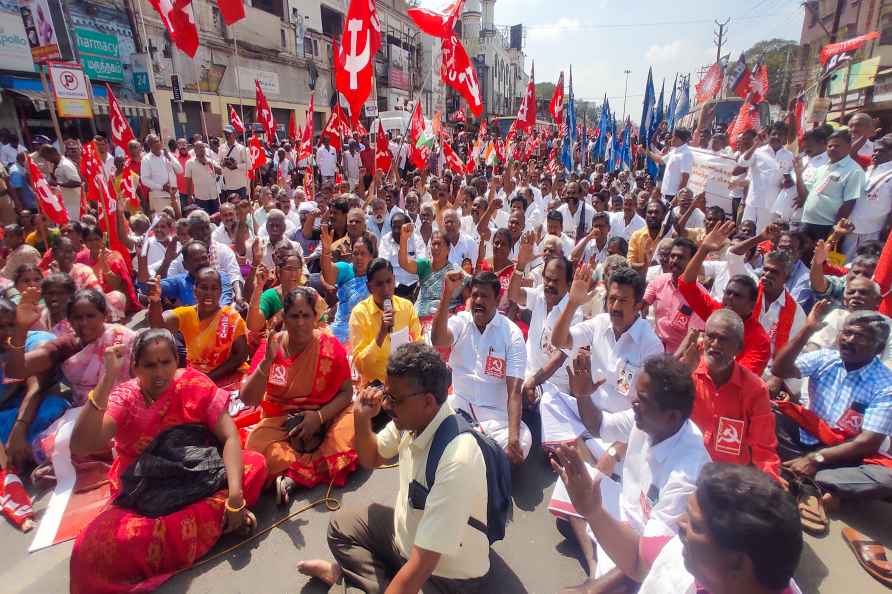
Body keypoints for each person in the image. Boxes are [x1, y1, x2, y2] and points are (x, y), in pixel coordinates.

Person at [68, 329, 267, 594]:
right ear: (135, 367)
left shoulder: (195, 384)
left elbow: (229, 435)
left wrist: (234, 496)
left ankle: (218, 518)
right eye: (149, 365)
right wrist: (107, 379)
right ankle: (218, 524)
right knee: (87, 551)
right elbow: (81, 445)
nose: (159, 373)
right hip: (146, 490)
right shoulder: (125, 398)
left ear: (177, 361)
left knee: (255, 464)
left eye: (166, 363)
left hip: (197, 475)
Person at [298, 343, 490, 593]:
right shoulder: (411, 420)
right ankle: (353, 579)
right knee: (341, 527)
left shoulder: (457, 460)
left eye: (394, 399)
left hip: (446, 575)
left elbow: (422, 565)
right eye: (385, 394)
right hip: (408, 541)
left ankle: (343, 579)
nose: (386, 405)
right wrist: (361, 418)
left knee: (403, 578)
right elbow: (372, 457)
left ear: (429, 402)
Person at [550, 353, 710, 592]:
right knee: (571, 478)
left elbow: (645, 559)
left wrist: (589, 591)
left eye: (642, 398)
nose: (633, 400)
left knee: (636, 571)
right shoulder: (647, 420)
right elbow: (599, 425)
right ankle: (595, 568)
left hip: (643, 544)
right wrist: (583, 396)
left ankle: (602, 579)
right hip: (626, 512)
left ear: (672, 417)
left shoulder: (687, 475)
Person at [772, 302, 892, 506]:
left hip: (847, 454)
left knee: (886, 478)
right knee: (766, 412)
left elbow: (868, 442)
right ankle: (825, 485)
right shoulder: (827, 358)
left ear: (879, 348)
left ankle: (806, 477)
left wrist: (815, 459)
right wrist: (807, 330)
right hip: (807, 438)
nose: (849, 340)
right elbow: (780, 369)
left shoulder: (886, 384)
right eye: (846, 333)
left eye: (860, 336)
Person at [243, 288, 356, 504]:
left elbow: (346, 393)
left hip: (325, 414)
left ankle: (293, 475)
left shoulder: (331, 347)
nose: (301, 323)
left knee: (355, 421)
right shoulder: (272, 346)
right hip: (283, 421)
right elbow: (248, 399)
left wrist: (319, 418)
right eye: (294, 316)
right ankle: (317, 467)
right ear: (284, 318)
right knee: (255, 443)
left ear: (315, 318)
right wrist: (266, 363)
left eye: (306, 315)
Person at [636, 464, 803, 594]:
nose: (680, 522)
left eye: (695, 525)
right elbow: (638, 558)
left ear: (737, 562)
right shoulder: (702, 566)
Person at [431, 271, 531, 463]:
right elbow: (438, 340)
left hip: (494, 417)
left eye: (484, 296)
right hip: (458, 406)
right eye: (475, 295)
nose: (477, 301)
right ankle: (477, 452)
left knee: (523, 442)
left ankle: (465, 449)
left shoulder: (512, 334)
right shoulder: (461, 321)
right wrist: (446, 295)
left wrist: (513, 439)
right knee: (424, 416)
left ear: (497, 299)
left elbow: (515, 392)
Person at [682, 310, 780, 481]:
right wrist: (682, 373)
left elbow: (763, 451)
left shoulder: (755, 390)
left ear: (739, 347)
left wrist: (768, 489)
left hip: (727, 483)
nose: (715, 344)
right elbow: (659, 409)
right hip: (683, 469)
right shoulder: (687, 373)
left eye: (724, 339)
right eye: (710, 336)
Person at [6, 288, 135, 407]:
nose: (84, 323)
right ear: (69, 320)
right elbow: (16, 371)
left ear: (104, 315)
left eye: (90, 316)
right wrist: (21, 328)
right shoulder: (67, 345)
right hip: (87, 414)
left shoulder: (123, 337)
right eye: (77, 317)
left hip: (130, 405)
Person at [677, 221, 772, 375]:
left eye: (738, 296)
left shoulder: (759, 340)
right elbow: (686, 284)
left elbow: (741, 381)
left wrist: (700, 361)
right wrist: (704, 248)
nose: (730, 299)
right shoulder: (716, 313)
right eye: (728, 293)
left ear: (751, 305)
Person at [148, 267, 249, 389]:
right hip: (196, 378)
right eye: (204, 288)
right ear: (195, 290)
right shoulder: (186, 314)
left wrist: (209, 378)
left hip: (228, 377)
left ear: (220, 291)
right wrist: (155, 300)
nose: (209, 293)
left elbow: (241, 355)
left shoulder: (231, 318)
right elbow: (158, 327)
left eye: (214, 288)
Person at [0, 298, 67, 470]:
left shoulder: (38, 341)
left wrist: (19, 430)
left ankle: (25, 453)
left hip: (34, 410)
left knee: (54, 408)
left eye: (12, 325)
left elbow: (36, 386)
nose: (6, 332)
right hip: (6, 416)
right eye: (0, 327)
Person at [349, 258, 422, 387]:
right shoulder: (359, 314)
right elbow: (361, 366)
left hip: (406, 380)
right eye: (379, 284)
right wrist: (381, 334)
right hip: (375, 387)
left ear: (394, 280)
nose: (386, 289)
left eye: (389, 282)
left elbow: (419, 345)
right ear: (369, 287)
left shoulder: (406, 307)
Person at [800, 129, 866, 243]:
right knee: (803, 258)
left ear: (849, 147)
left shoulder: (854, 171)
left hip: (827, 226)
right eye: (830, 146)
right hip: (807, 221)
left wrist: (835, 230)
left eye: (837, 146)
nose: (832, 149)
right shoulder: (823, 167)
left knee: (821, 259)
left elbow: (849, 203)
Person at [643, 237, 705, 354]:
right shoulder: (659, 281)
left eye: (680, 257)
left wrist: (673, 362)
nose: (674, 260)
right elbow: (640, 305)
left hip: (681, 354)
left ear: (693, 261)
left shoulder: (700, 296)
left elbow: (692, 335)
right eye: (672, 256)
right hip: (654, 347)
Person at [397, 223, 460, 329]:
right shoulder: (424, 265)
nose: (435, 247)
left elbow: (468, 296)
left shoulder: (454, 271)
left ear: (448, 249)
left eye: (439, 244)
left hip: (443, 321)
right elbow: (404, 263)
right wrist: (404, 239)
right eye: (433, 244)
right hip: (420, 318)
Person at [321, 225, 376, 344]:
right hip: (342, 329)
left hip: (368, 329)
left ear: (371, 257)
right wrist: (326, 251)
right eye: (356, 253)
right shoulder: (346, 270)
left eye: (363, 253)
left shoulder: (376, 275)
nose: (359, 257)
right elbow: (328, 276)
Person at [846, 133, 892, 259]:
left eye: (880, 151)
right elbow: (850, 154)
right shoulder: (869, 169)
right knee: (843, 264)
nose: (875, 154)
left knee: (865, 265)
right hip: (851, 227)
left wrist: (886, 233)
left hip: (874, 230)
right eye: (874, 150)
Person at [246, 248, 305, 332]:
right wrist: (259, 287)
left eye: (297, 269)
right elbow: (253, 326)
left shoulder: (309, 295)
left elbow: (322, 325)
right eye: (289, 269)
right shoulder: (270, 296)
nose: (294, 274)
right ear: (278, 270)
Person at [140, 134, 182, 214]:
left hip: (174, 195)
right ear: (150, 145)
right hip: (159, 197)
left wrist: (169, 158)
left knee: (178, 221)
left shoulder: (167, 154)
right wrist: (162, 187)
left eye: (158, 141)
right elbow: (144, 179)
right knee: (164, 223)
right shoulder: (146, 159)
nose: (158, 143)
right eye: (154, 142)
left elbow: (180, 170)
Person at [648, 127, 694, 201]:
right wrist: (647, 152)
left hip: (673, 196)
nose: (670, 139)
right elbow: (661, 160)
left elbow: (685, 178)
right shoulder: (674, 151)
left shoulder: (686, 154)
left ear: (678, 139)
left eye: (673, 137)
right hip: (665, 194)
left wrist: (676, 198)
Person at [627, 199, 669, 275]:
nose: (653, 215)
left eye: (656, 212)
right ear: (645, 215)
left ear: (663, 215)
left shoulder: (668, 236)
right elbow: (630, 263)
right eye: (650, 212)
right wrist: (646, 264)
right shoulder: (636, 236)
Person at [184, 141, 222, 215]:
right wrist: (189, 195)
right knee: (205, 218)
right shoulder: (190, 163)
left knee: (217, 216)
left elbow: (220, 172)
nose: (202, 149)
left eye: (203, 147)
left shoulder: (211, 160)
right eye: (199, 147)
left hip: (214, 195)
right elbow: (188, 180)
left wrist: (210, 164)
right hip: (200, 197)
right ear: (195, 150)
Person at [219, 125, 249, 200]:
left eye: (229, 133)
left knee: (242, 209)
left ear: (234, 134)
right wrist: (223, 164)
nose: (227, 135)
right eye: (225, 134)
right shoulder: (221, 148)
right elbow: (219, 164)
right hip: (228, 186)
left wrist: (236, 166)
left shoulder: (242, 148)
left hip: (241, 186)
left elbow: (249, 165)